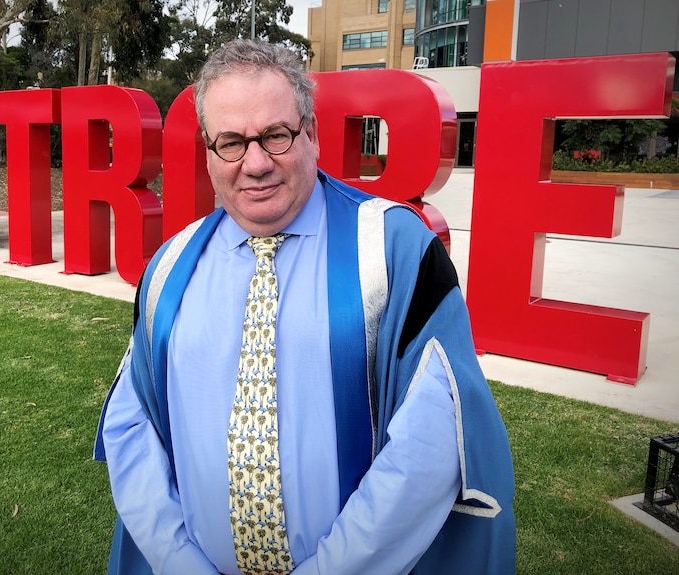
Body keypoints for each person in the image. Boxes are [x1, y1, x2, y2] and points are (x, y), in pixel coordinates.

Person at [94, 39, 515, 575]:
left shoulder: (394, 252)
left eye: (275, 135)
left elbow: (429, 447)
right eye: (230, 142)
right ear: (207, 150)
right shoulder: (169, 271)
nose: (255, 164)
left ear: (311, 132)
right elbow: (133, 429)